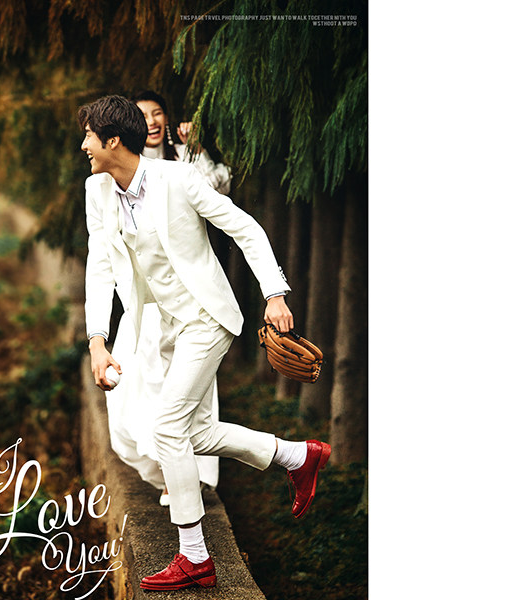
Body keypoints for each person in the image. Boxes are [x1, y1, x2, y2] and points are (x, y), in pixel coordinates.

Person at [78, 95, 331, 592]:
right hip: (164, 324)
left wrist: (275, 294)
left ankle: (194, 555)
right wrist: (97, 341)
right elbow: (100, 266)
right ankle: (297, 457)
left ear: (113, 140)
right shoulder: (97, 190)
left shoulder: (179, 179)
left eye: (89, 135)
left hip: (207, 318)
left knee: (167, 428)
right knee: (194, 433)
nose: (83, 145)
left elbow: (245, 228)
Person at [104, 91, 232, 508]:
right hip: (143, 304)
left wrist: (197, 149)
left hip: (186, 298)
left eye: (158, 112)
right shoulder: (115, 176)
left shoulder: (182, 162)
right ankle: (163, 469)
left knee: (184, 392)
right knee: (133, 388)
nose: (153, 122)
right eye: (143, 116)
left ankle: (184, 480)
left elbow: (220, 191)